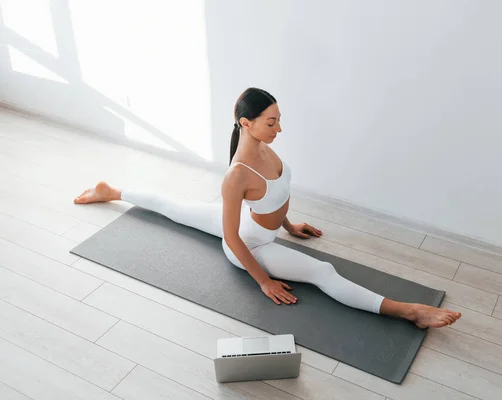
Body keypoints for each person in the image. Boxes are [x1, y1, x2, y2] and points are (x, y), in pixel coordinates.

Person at [74, 87, 461, 329]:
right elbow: (230, 237)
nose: (279, 129)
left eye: (278, 121)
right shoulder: (236, 177)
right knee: (322, 271)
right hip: (248, 243)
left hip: (254, 225)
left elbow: (279, 191)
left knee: (173, 206)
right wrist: (262, 280)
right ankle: (410, 312)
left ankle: (112, 190)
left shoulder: (265, 149)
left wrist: (290, 227)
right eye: (272, 122)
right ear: (247, 123)